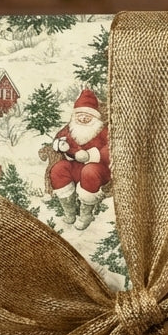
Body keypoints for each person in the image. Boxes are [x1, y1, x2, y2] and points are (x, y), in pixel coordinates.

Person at [50, 88, 110, 231]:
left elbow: (110, 149)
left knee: (89, 171)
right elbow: (59, 138)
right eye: (80, 115)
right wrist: (60, 145)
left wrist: (90, 156)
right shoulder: (70, 128)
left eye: (87, 116)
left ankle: (85, 214)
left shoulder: (102, 131)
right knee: (58, 169)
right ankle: (69, 211)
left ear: (94, 117)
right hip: (75, 165)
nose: (83, 118)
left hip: (98, 168)